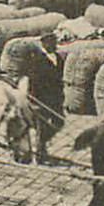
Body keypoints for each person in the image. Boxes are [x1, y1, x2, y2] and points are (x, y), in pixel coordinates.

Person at [26, 31, 68, 165]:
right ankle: (40, 153)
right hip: (42, 98)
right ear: (44, 44)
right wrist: (33, 99)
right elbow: (32, 80)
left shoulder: (59, 58)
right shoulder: (37, 59)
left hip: (56, 98)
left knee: (59, 121)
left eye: (54, 41)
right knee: (41, 126)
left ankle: (42, 144)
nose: (53, 44)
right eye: (50, 42)